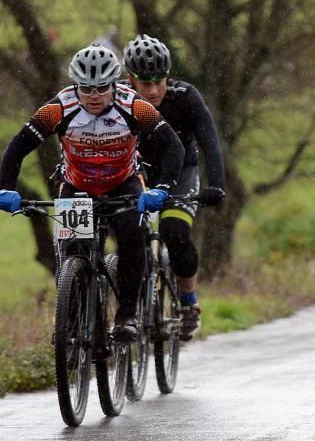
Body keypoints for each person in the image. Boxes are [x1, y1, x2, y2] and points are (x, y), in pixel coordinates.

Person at [0, 44, 183, 340]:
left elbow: (173, 146)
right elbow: (18, 147)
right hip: (76, 184)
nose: (94, 95)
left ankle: (126, 316)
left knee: (131, 235)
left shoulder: (134, 105)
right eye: (86, 88)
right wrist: (5, 188)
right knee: (72, 250)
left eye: (101, 88)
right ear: (75, 85)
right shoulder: (59, 108)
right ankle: (71, 322)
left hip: (123, 182)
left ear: (114, 85)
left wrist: (162, 189)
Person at [123, 34, 226, 340]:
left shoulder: (185, 96)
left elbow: (209, 140)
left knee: (175, 233)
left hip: (181, 172)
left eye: (160, 81)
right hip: (136, 174)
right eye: (145, 83)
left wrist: (217, 184)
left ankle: (188, 301)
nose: (154, 90)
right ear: (130, 80)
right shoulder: (118, 99)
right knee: (129, 235)